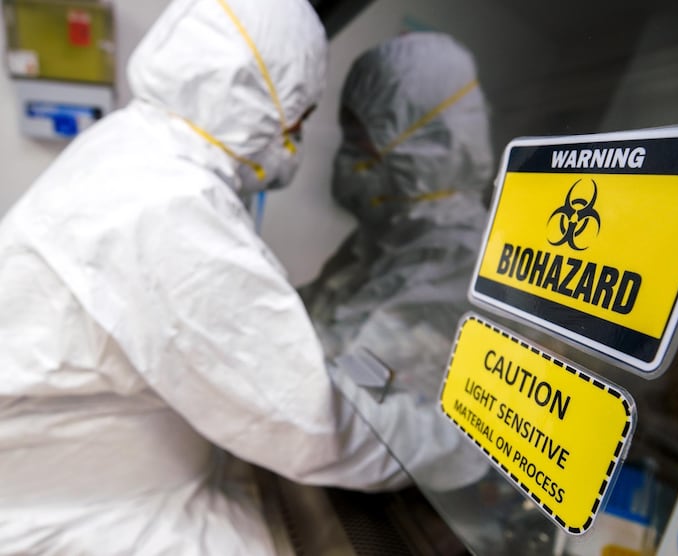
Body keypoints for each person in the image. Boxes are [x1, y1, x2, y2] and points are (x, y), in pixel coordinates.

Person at [0, 0, 412, 553]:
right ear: (269, 96)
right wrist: (449, 445)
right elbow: (314, 429)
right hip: (87, 514)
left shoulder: (134, 147)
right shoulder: (168, 202)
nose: (295, 136)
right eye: (301, 114)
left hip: (93, 473)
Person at [299, 32, 495, 489]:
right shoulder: (379, 240)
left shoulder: (464, 266)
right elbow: (314, 318)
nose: (347, 162)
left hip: (398, 493)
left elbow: (368, 380)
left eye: (363, 147)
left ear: (425, 147)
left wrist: (321, 360)